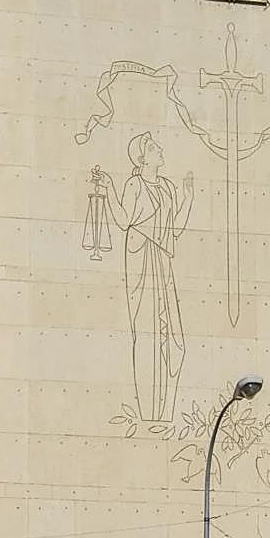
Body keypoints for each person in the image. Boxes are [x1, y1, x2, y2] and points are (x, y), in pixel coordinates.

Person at [94, 132, 194, 422]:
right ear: (142, 159)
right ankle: (149, 413)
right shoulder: (134, 184)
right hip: (142, 260)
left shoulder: (167, 187)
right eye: (153, 148)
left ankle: (164, 412)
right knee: (149, 333)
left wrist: (188, 198)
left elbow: (175, 228)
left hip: (163, 262)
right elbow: (124, 220)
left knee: (173, 339)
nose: (160, 150)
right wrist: (110, 189)